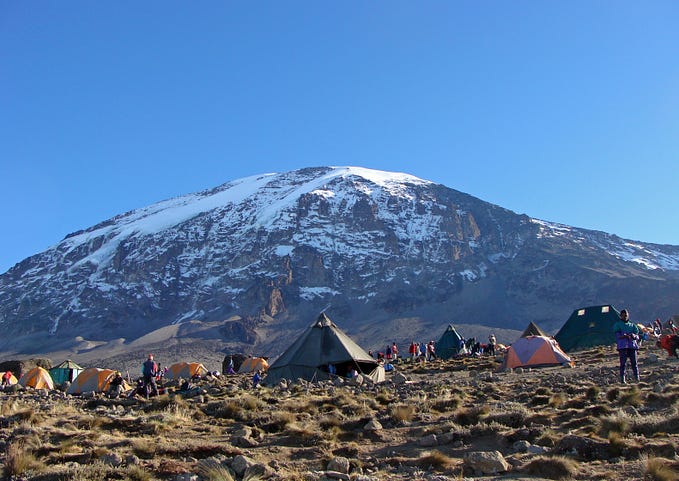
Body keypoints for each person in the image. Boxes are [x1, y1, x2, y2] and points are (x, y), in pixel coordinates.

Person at [614, 309, 641, 384]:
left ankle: (637, 378)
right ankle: (623, 379)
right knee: (623, 363)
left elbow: (637, 336)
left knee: (634, 363)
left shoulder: (632, 325)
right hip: (623, 346)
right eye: (623, 315)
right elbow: (617, 335)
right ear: (620, 316)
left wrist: (633, 336)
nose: (625, 317)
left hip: (632, 346)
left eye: (626, 315)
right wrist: (624, 336)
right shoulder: (617, 325)